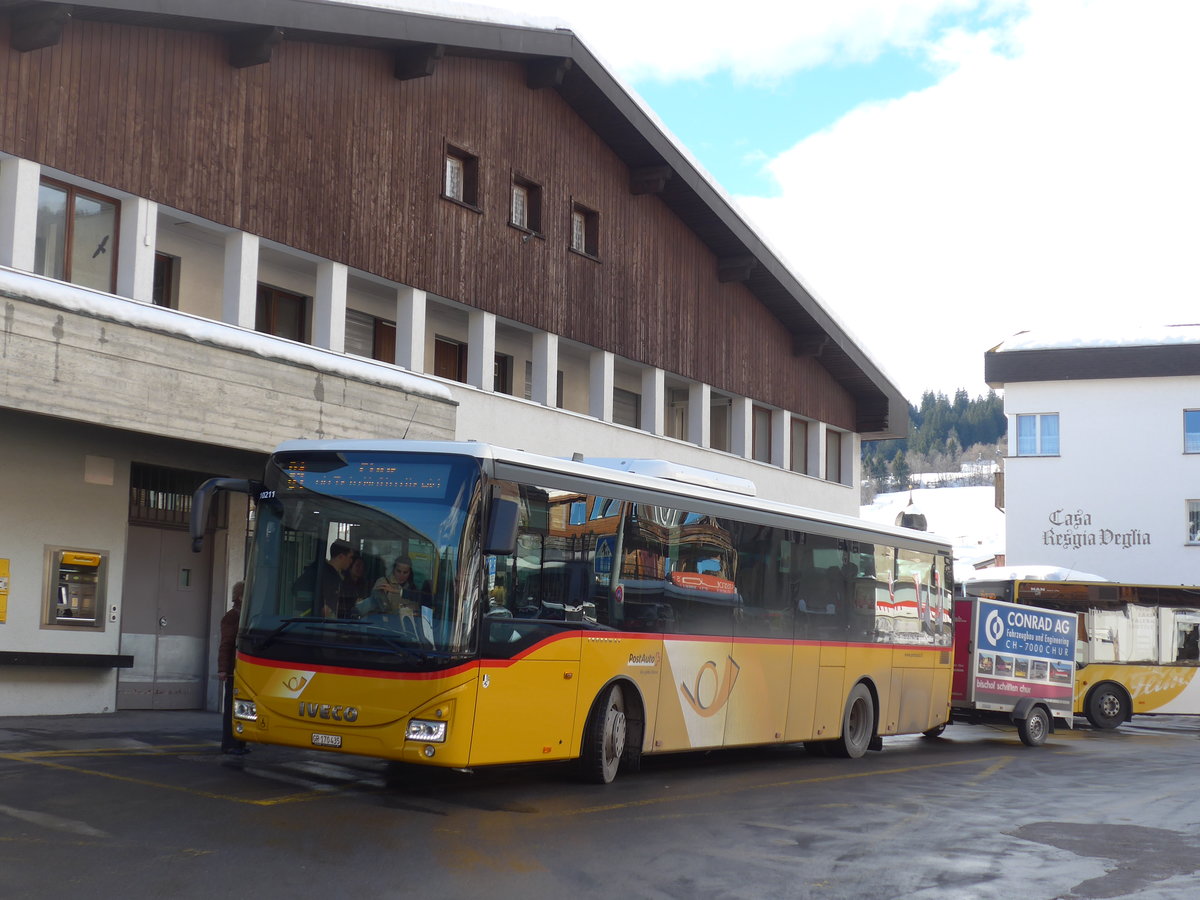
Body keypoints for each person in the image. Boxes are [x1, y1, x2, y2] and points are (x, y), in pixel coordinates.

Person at [218, 581, 248, 755]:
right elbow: (226, 644)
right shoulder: (232, 616)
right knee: (231, 707)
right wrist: (222, 669)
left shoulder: (243, 615)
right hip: (232, 670)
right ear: (240, 596)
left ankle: (239, 743)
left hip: (240, 669)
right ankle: (230, 743)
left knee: (239, 708)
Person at [293, 539, 355, 617]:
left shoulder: (327, 572)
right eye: (350, 557)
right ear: (341, 556)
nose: (351, 561)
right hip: (314, 624)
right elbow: (297, 589)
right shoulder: (324, 574)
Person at [337, 553, 369, 618]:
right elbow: (338, 604)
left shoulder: (363, 584)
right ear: (350, 566)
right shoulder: (341, 583)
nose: (360, 569)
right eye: (358, 565)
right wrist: (354, 602)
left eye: (362, 566)